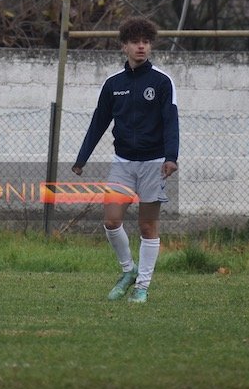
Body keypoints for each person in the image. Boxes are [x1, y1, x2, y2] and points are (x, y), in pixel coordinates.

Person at [72, 17, 179, 304]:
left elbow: (171, 121)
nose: (141, 46)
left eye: (146, 41)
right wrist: (81, 159)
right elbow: (98, 124)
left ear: (150, 45)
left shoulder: (162, 81)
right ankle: (128, 270)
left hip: (153, 163)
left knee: (147, 227)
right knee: (111, 220)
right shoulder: (113, 84)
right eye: (135, 41)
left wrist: (171, 157)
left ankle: (142, 286)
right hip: (122, 163)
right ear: (124, 46)